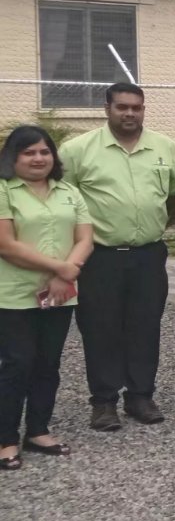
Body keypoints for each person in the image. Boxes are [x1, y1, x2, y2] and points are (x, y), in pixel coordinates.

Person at [58, 83, 175, 430]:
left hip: (148, 255)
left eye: (136, 107)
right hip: (100, 258)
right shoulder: (77, 151)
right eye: (122, 107)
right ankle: (104, 401)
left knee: (146, 326)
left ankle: (140, 396)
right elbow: (64, 203)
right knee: (100, 328)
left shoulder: (166, 148)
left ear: (144, 109)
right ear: (107, 109)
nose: (130, 113)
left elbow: (174, 196)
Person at [0, 126, 93, 470]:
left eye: (44, 151)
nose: (38, 158)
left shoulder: (68, 191)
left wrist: (65, 273)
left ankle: (38, 430)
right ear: (13, 157)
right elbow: (6, 244)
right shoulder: (4, 190)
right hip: (14, 294)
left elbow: (85, 238)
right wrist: (60, 267)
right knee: (17, 363)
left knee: (47, 364)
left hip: (59, 293)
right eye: (28, 152)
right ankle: (6, 439)